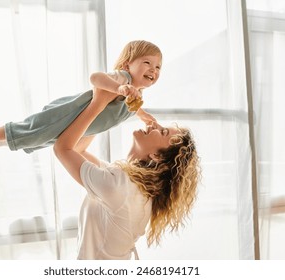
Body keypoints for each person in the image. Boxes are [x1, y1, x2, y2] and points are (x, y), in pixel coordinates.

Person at [54, 88, 201, 260]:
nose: (154, 124)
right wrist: (108, 108)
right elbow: (78, 150)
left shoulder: (120, 186)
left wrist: (99, 103)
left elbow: (62, 148)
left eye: (162, 132)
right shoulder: (131, 184)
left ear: (158, 156)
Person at [0, 40, 162, 154]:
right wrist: (120, 87)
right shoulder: (123, 78)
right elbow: (95, 78)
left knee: (41, 140)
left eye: (158, 67)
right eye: (147, 63)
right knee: (35, 131)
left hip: (79, 127)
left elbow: (134, 108)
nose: (153, 70)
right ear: (127, 65)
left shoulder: (135, 95)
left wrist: (147, 118)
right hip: (67, 114)